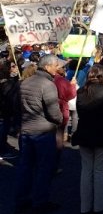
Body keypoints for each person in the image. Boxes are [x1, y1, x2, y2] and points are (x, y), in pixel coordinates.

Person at [15, 54, 63, 213]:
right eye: (56, 65)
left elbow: (18, 106)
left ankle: (22, 199)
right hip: (42, 132)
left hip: (27, 130)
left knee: (25, 167)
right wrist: (60, 119)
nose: (58, 68)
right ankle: (40, 202)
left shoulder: (25, 82)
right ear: (48, 66)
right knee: (44, 168)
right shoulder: (48, 85)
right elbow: (54, 113)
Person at [73, 65, 103, 214]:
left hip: (85, 133)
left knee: (86, 171)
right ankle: (99, 206)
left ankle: (84, 207)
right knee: (100, 171)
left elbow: (80, 113)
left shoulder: (81, 92)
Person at [53, 58, 76, 172]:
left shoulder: (47, 78)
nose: (64, 68)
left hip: (45, 113)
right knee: (57, 140)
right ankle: (54, 165)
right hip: (59, 111)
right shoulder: (61, 81)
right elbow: (70, 95)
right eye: (62, 67)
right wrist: (72, 86)